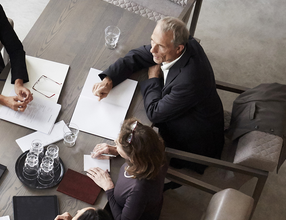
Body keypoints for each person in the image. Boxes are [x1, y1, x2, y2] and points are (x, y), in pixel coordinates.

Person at [92, 17, 223, 173]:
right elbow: (139, 55)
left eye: (160, 46)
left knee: (137, 130)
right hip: (190, 110)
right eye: (152, 41)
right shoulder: (179, 43)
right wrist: (109, 79)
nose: (152, 50)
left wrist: (153, 78)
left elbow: (155, 113)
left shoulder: (190, 81)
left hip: (192, 143)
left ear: (179, 48)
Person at [87, 119, 168, 220]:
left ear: (133, 157)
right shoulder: (156, 152)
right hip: (143, 206)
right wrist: (117, 150)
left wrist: (108, 188)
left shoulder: (139, 189)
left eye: (118, 143)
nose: (114, 142)